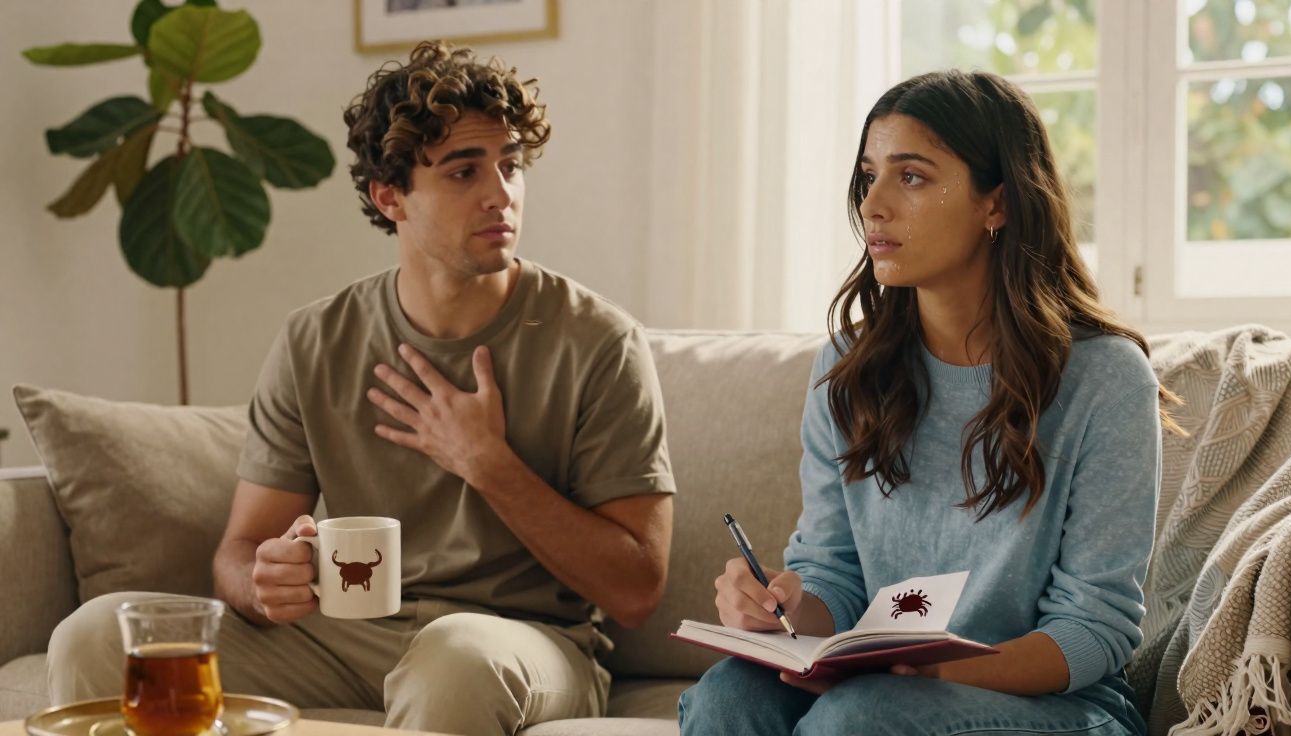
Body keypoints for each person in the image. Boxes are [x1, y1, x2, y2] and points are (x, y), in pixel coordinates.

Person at [47, 40, 676, 736]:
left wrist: (487, 462)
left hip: (519, 641)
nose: (501, 193)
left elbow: (637, 590)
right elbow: (240, 550)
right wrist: (264, 580)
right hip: (344, 635)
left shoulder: (598, 342)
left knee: (454, 659)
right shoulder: (315, 339)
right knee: (95, 635)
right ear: (389, 196)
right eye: (464, 171)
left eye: (511, 164)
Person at [678, 69, 1174, 736]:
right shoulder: (848, 368)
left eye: (911, 176)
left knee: (858, 718)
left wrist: (926, 676)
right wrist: (786, 607)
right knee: (729, 697)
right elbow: (833, 574)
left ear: (997, 204)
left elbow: (1093, 629)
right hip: (884, 690)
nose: (873, 205)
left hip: (1055, 706)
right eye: (869, 176)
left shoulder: (1105, 378)